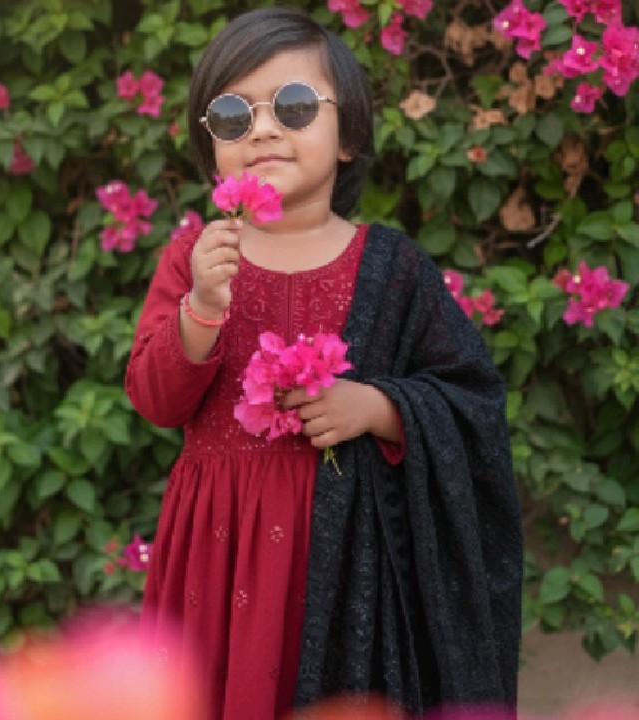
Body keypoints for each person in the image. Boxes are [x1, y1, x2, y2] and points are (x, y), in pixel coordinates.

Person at [125, 6, 523, 720]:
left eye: (295, 106)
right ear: (210, 145)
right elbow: (156, 401)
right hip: (217, 551)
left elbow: (471, 400)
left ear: (350, 138)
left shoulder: (392, 268)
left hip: (348, 558)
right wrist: (202, 308)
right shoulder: (195, 259)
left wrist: (378, 407)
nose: (263, 129)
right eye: (233, 114)